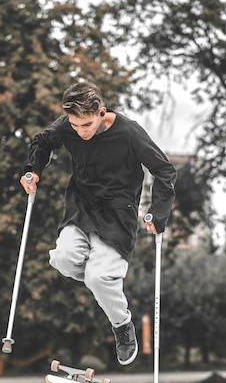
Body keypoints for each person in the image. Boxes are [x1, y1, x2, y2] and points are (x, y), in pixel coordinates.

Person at [20, 81, 177, 365]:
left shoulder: (129, 132)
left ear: (101, 112)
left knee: (96, 277)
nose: (81, 132)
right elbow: (42, 142)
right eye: (76, 126)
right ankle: (104, 280)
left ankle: (122, 325)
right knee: (63, 260)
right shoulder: (68, 126)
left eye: (87, 125)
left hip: (118, 212)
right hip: (81, 204)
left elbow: (164, 171)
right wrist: (32, 170)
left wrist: (158, 211)